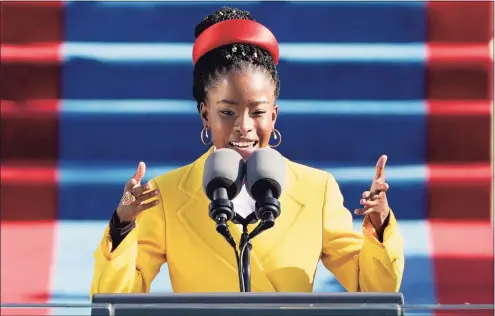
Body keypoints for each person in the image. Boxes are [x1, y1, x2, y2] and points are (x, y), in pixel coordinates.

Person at [90, 7, 404, 295]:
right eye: (227, 112)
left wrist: (379, 224)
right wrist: (123, 225)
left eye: (257, 112)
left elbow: (372, 289)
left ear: (274, 116)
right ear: (205, 115)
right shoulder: (166, 194)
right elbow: (115, 302)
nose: (244, 126)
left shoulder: (316, 190)